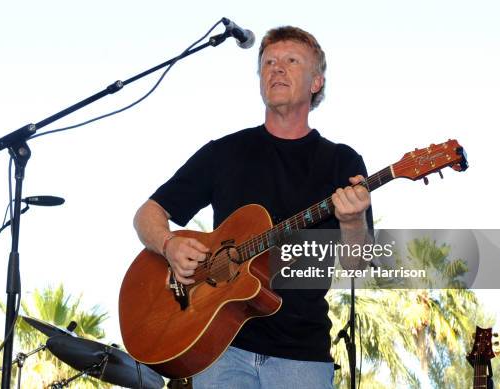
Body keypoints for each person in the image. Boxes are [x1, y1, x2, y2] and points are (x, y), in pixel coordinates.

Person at [133, 26, 373, 389]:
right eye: (268, 63)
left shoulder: (341, 162)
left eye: (291, 61)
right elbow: (147, 214)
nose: (276, 69)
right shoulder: (224, 152)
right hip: (219, 349)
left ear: (316, 83)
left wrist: (353, 220)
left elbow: (359, 262)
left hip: (300, 355)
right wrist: (169, 245)